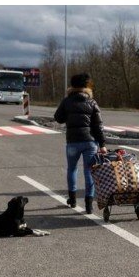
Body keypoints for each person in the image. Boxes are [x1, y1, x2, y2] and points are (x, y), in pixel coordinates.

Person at [53, 73, 107, 214]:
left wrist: (68, 115)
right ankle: (89, 204)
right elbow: (98, 126)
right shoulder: (92, 102)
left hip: (72, 142)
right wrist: (102, 144)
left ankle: (72, 200)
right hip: (89, 142)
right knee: (89, 171)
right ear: (86, 86)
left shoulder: (67, 101)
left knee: (72, 169)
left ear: (72, 86)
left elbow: (58, 118)